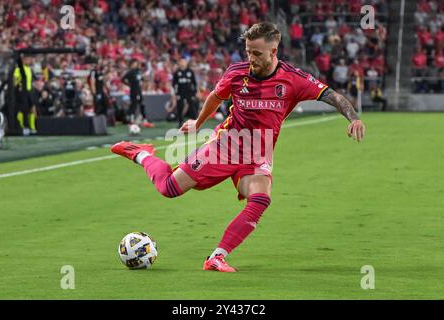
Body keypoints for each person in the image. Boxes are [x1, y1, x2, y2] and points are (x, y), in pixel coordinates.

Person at [110, 22, 365, 272]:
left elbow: (333, 95)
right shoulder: (236, 73)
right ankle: (140, 152)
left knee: (261, 199)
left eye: (257, 53)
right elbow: (215, 96)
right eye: (248, 52)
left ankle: (216, 257)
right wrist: (199, 123)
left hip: (258, 154)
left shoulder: (293, 80)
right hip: (225, 146)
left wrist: (353, 118)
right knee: (169, 188)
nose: (251, 58)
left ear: (273, 52)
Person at [122, 59, 154, 128]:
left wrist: (146, 79)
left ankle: (145, 120)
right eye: (134, 63)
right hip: (133, 91)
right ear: (131, 64)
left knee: (142, 105)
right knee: (133, 106)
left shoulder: (138, 71)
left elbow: (142, 78)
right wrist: (129, 84)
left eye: (136, 63)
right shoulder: (130, 72)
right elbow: (123, 79)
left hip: (139, 90)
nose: (135, 65)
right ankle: (131, 121)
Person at [13, 55, 37, 135]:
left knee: (32, 108)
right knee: (23, 110)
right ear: (23, 60)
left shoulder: (29, 69)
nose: (28, 61)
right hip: (22, 92)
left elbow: (31, 81)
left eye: (29, 59)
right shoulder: (18, 69)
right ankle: (22, 126)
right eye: (27, 59)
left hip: (30, 92)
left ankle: (32, 127)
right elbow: (14, 79)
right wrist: (17, 86)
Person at [172, 58, 198, 128]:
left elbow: (194, 83)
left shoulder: (190, 72)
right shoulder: (177, 72)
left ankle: (195, 124)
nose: (182, 63)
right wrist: (176, 94)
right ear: (179, 63)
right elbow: (174, 84)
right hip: (180, 93)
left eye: (184, 62)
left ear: (186, 63)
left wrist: (194, 93)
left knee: (192, 108)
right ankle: (180, 123)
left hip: (189, 93)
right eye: (181, 62)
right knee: (180, 108)